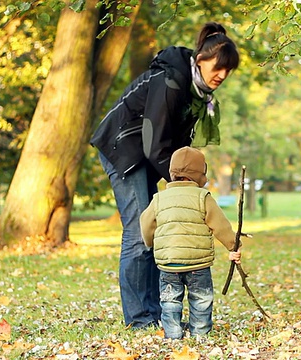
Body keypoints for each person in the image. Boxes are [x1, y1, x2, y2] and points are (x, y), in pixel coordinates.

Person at [89, 22, 239, 330]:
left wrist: (187, 181)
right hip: (125, 150)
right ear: (201, 59)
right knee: (139, 231)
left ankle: (155, 314)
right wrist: (181, 185)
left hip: (148, 154)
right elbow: (154, 141)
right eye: (219, 66)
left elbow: (178, 144)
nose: (222, 75)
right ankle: (139, 318)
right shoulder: (172, 81)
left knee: (159, 230)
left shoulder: (197, 93)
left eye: (228, 70)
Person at [139, 146, 241, 339]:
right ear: (199, 174)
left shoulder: (159, 199)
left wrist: (150, 242)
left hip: (169, 263)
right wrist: (233, 246)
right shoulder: (203, 198)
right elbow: (221, 225)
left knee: (170, 301)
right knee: (200, 299)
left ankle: (173, 335)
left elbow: (146, 223)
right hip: (198, 264)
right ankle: (200, 333)